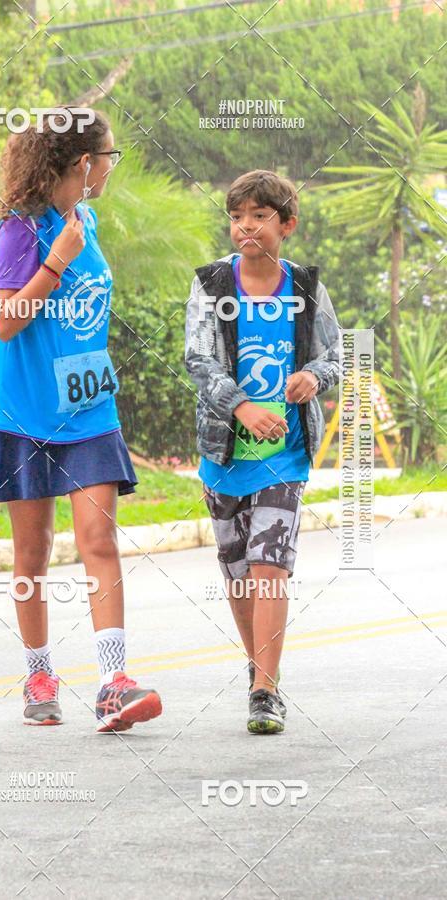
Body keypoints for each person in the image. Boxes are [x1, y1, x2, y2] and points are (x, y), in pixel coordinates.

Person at [0, 108, 162, 731]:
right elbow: (5, 322)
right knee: (33, 555)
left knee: (99, 541)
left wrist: (73, 251)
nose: (109, 167)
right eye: (109, 157)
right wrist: (56, 262)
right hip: (26, 414)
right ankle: (39, 672)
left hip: (89, 406)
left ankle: (112, 681)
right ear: (83, 163)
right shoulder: (21, 230)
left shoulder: (85, 219)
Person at [185, 169, 340, 734]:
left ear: (287, 225)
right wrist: (242, 407)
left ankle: (264, 691)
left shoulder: (305, 288)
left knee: (271, 566)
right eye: (237, 217)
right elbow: (199, 361)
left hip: (287, 454)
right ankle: (259, 669)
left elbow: (335, 357)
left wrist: (312, 378)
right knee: (240, 573)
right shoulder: (210, 285)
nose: (246, 227)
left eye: (259, 216)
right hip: (224, 454)